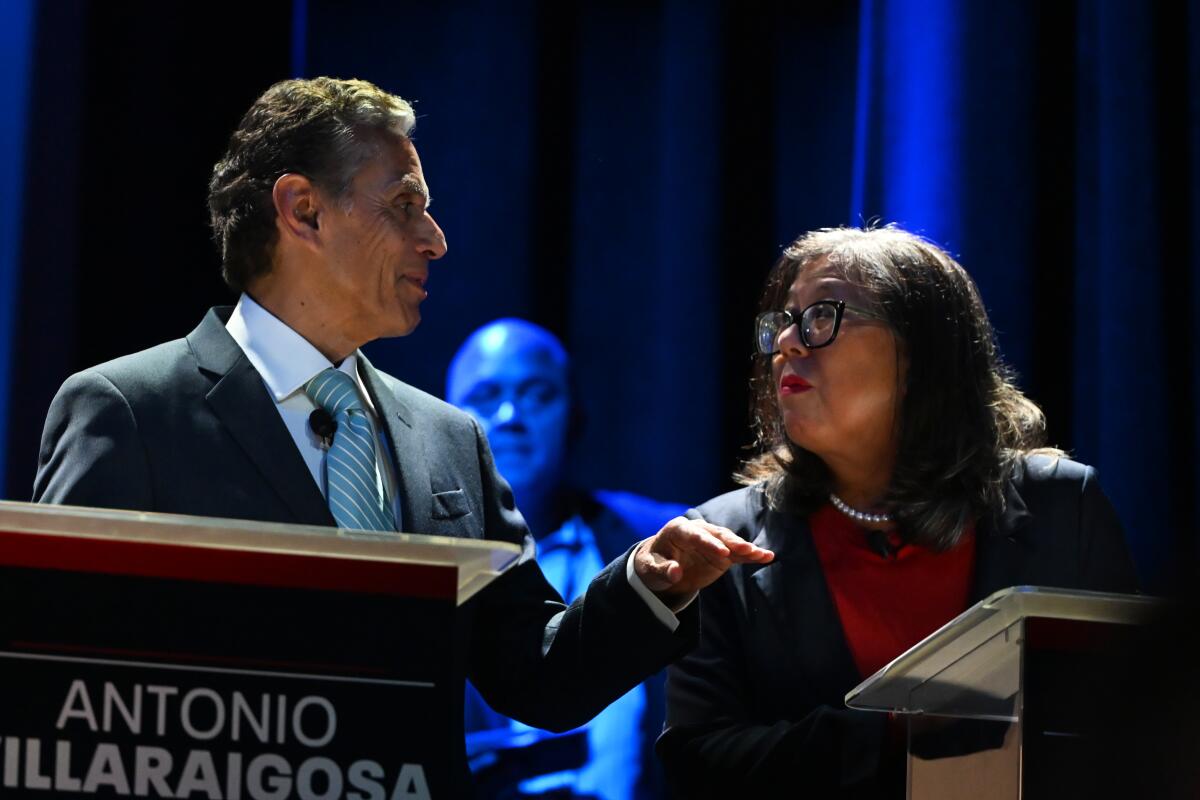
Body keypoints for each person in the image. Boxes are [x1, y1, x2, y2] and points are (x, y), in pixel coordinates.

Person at [30, 77, 772, 797]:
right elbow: (63, 693)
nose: (436, 240)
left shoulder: (449, 439)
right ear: (303, 211)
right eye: (404, 205)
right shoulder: (130, 412)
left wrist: (648, 582)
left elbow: (538, 677)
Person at [655, 225, 1139, 799]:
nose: (786, 342)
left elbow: (1137, 725)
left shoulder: (1062, 507)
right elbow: (698, 761)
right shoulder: (721, 537)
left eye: (822, 316)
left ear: (920, 350)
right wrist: (890, 735)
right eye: (784, 321)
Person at [447, 318, 686, 800]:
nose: (510, 416)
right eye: (486, 396)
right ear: (442, 423)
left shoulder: (659, 538)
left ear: (575, 415)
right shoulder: (411, 558)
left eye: (537, 394)